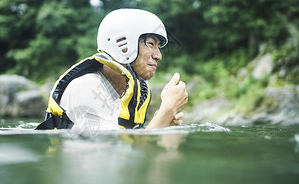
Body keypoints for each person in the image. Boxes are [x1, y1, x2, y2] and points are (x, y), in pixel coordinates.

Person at [36, 8, 188, 131]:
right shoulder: (87, 87)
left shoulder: (127, 93)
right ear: (123, 44)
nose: (158, 56)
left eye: (159, 47)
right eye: (150, 43)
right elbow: (111, 151)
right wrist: (166, 111)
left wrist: (163, 122)